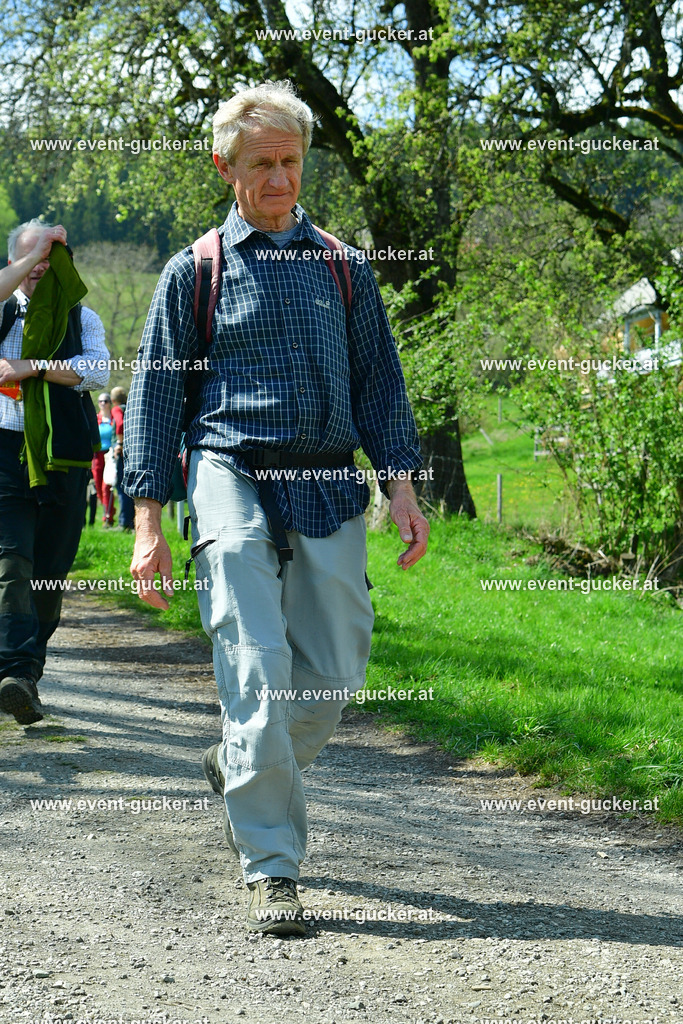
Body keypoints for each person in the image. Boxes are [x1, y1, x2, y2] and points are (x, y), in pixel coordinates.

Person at [124, 80, 429, 936]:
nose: (279, 179)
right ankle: (273, 868)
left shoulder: (342, 266)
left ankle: (238, 760)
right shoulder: (195, 272)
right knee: (255, 669)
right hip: (231, 471)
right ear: (226, 168)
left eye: (290, 161)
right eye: (260, 164)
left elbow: (380, 384)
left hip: (329, 478)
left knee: (331, 676)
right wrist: (148, 527)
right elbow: (153, 403)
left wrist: (401, 484)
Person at [0, 220, 109, 724]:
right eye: (29, 256)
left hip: (62, 457)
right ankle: (14, 670)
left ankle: (27, 674)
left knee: (48, 573)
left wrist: (34, 366)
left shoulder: (80, 316)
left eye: (50, 256)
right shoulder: (3, 310)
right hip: (4, 452)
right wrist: (29, 258)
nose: (40, 265)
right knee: (12, 561)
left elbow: (98, 372)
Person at [110, 385, 134, 531]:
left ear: (113, 400)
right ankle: (131, 521)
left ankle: (124, 521)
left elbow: (120, 425)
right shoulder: (129, 407)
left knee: (121, 486)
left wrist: (119, 443)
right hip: (132, 450)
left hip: (123, 449)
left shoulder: (117, 409)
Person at [91, 391, 117, 526]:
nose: (103, 403)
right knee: (99, 487)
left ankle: (108, 517)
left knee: (106, 486)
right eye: (100, 401)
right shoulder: (96, 419)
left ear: (110, 403)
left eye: (105, 401)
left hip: (110, 455)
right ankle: (109, 510)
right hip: (97, 456)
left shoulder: (114, 419)